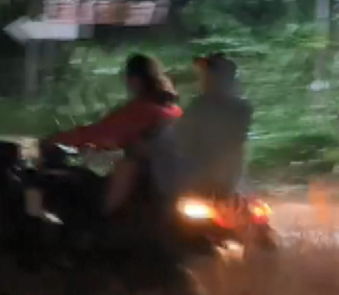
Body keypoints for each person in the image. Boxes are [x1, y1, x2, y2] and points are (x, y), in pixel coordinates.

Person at [44, 53, 183, 216]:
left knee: (75, 187)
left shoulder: (141, 110)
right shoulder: (173, 110)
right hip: (167, 180)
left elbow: (98, 133)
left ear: (135, 80)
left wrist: (54, 140)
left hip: (142, 183)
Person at [175, 53, 253, 197]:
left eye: (207, 74)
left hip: (205, 180)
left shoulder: (199, 107)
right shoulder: (242, 107)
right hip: (229, 179)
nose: (202, 79)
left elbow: (181, 139)